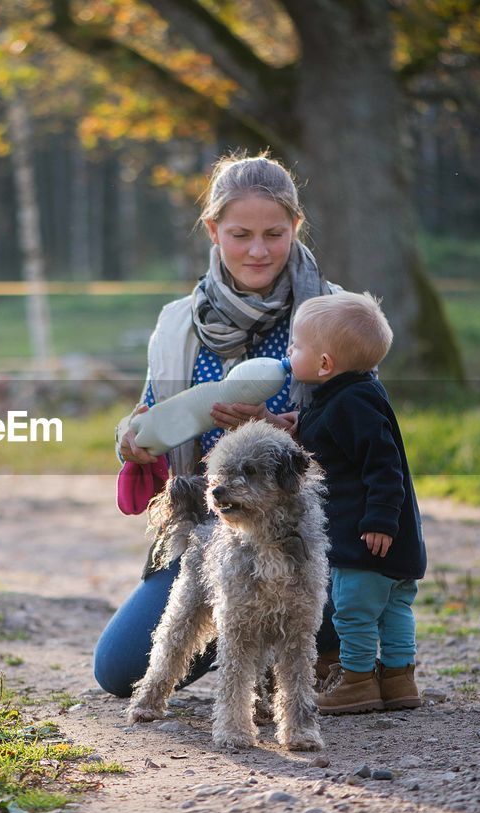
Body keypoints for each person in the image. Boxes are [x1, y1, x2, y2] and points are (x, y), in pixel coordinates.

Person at [93, 152, 340, 698]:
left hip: (311, 534)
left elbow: (371, 437)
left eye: (274, 233)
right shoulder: (179, 322)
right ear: (212, 231)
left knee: (305, 634)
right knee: (118, 670)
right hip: (210, 536)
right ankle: (258, 647)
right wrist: (131, 441)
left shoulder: (332, 313)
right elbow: (152, 414)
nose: (258, 250)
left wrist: (285, 430)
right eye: (240, 234)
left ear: (296, 226)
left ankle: (320, 649)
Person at [286, 291, 426, 714]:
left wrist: (379, 520)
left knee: (354, 613)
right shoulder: (359, 393)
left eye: (295, 346)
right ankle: (400, 679)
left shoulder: (350, 403)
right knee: (395, 609)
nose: (289, 353)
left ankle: (358, 679)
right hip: (398, 542)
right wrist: (300, 426)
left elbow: (383, 465)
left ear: (325, 364)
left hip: (367, 539)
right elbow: (338, 440)